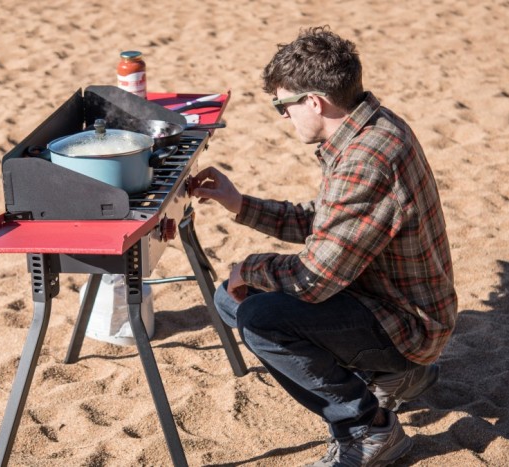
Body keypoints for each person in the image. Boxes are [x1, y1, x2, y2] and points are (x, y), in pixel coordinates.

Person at [190, 26, 457, 466]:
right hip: (388, 299)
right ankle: (392, 375)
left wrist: (251, 268)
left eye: (282, 105)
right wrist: (239, 204)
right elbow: (328, 223)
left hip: (406, 323)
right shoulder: (371, 126)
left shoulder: (365, 159)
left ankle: (368, 429)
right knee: (230, 298)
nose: (282, 116)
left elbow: (311, 281)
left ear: (313, 101)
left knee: (258, 317)